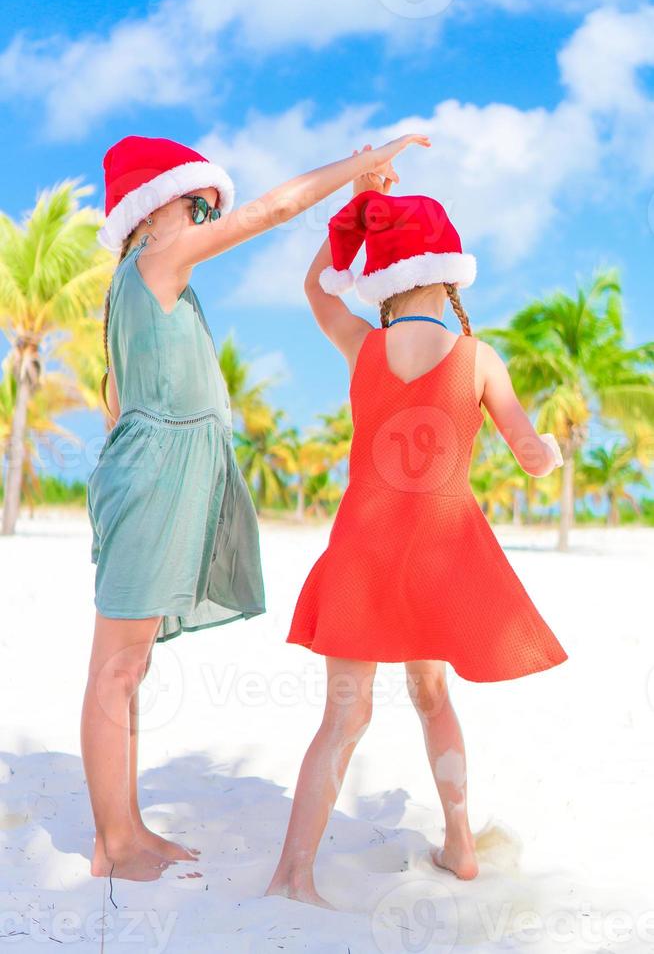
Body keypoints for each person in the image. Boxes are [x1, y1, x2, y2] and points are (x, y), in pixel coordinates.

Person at [82, 132, 430, 882]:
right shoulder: (155, 263)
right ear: (153, 208)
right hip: (155, 470)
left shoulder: (150, 285)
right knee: (116, 668)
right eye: (200, 201)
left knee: (130, 665)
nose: (210, 214)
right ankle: (114, 842)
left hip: (162, 469)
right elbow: (273, 209)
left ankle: (126, 829)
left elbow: (115, 401)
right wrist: (358, 171)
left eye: (212, 205)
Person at [266, 155, 568, 908]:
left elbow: (314, 287)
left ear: (385, 277)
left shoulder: (361, 344)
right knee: (432, 694)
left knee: (343, 714)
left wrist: (354, 207)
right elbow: (530, 457)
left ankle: (293, 874)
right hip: (440, 552)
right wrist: (547, 452)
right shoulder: (479, 357)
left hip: (364, 548)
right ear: (450, 276)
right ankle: (461, 845)